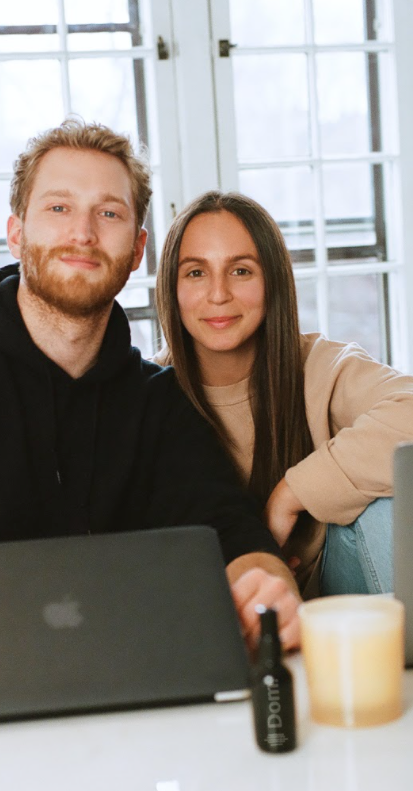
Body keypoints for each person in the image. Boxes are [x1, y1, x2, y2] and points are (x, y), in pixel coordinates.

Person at [0, 121, 300, 655]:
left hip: (127, 693)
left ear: (138, 249)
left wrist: (265, 579)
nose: (84, 234)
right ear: (17, 231)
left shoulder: (160, 403)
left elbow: (230, 532)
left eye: (109, 213)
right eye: (59, 208)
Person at [155, 190, 413, 599]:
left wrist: (290, 496)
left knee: (388, 506)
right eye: (196, 272)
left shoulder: (319, 367)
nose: (218, 294)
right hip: (200, 601)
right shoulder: (147, 392)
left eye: (241, 271)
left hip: (330, 596)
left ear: (272, 280)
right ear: (171, 286)